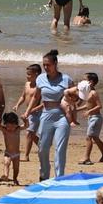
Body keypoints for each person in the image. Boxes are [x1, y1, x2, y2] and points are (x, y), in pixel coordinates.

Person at [37, 50, 74, 180]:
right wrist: (28, 111)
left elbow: (77, 96)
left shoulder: (66, 79)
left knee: (60, 148)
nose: (46, 67)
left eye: (48, 65)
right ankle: (44, 176)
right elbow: (36, 97)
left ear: (55, 64)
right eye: (44, 65)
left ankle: (59, 178)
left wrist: (71, 105)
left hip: (62, 116)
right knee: (43, 148)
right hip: (46, 115)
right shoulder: (40, 78)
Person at [78, 72, 103, 164]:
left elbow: (99, 106)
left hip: (96, 118)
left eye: (84, 79)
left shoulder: (94, 93)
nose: (82, 81)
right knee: (95, 138)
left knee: (89, 137)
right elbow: (88, 105)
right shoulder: (88, 93)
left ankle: (86, 158)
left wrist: (89, 112)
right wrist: (76, 109)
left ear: (90, 82)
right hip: (91, 118)